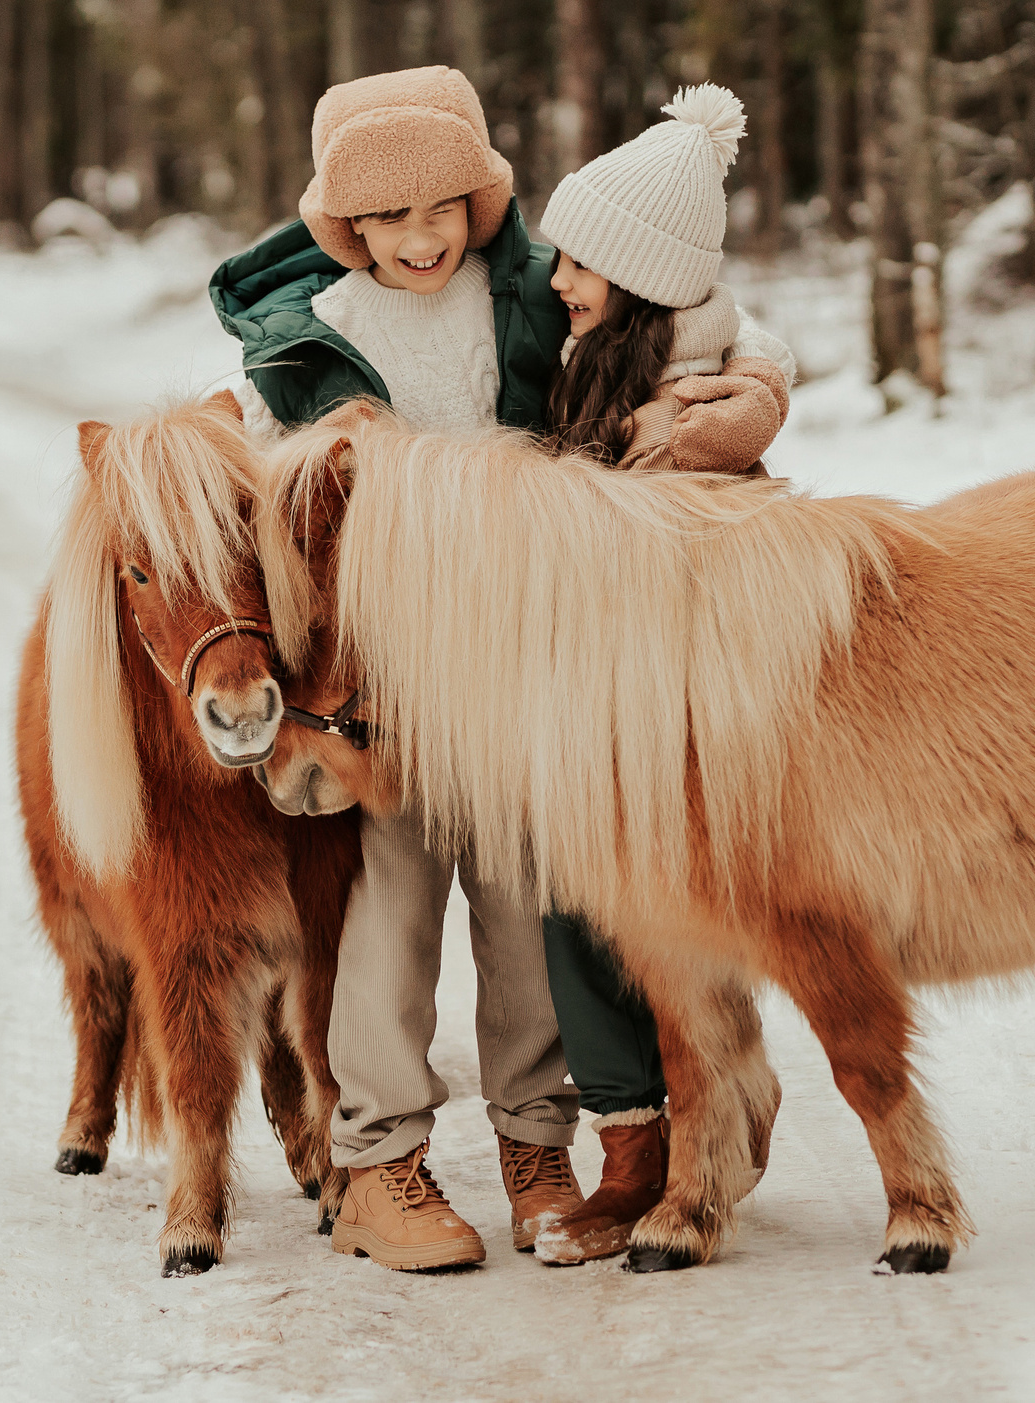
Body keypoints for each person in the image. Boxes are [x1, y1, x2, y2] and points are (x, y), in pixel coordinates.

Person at [208, 65, 586, 1272]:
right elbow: (264, 492)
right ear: (343, 227)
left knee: (530, 911)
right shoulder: (324, 338)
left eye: (439, 211)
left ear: (480, 201)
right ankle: (380, 1162)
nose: (418, 242)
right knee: (391, 911)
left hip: (526, 657)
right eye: (385, 219)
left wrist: (746, 385)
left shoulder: (535, 299)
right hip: (384, 681)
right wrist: (320, 453)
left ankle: (538, 1144)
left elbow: (688, 329)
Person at [524, 83, 798, 1265]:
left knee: (643, 916)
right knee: (574, 905)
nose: (556, 281)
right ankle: (653, 1130)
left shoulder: (698, 409)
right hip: (602, 692)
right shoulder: (598, 363)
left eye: (579, 260)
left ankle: (679, 1131)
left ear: (639, 273)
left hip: (687, 706)